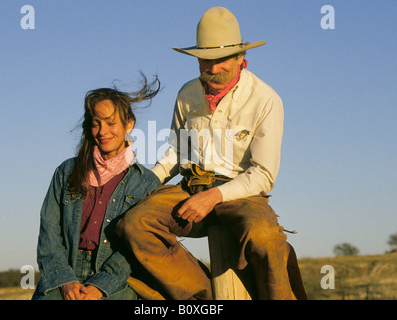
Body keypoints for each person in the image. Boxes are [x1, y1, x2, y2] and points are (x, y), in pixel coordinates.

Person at [116, 7, 307, 300]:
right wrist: (143, 185)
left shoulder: (266, 99)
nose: (213, 68)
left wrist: (215, 196)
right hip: (190, 186)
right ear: (198, 59)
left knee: (266, 237)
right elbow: (178, 152)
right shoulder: (187, 94)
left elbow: (263, 175)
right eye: (207, 60)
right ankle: (202, 297)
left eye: (222, 60)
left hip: (241, 195)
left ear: (241, 59)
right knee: (134, 224)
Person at [32, 75, 161, 300]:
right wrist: (65, 281)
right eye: (96, 123)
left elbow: (135, 248)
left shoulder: (146, 183)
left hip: (115, 279)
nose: (103, 131)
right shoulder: (66, 172)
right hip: (64, 274)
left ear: (129, 123)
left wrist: (100, 286)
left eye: (111, 123)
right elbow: (49, 233)